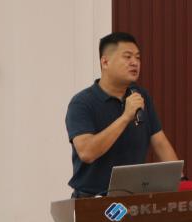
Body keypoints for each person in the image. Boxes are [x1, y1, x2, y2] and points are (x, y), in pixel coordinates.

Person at [65, 32, 181, 197]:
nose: (135, 62)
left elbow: (159, 142)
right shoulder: (82, 103)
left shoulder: (140, 96)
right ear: (105, 62)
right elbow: (87, 152)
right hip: (93, 200)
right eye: (127, 57)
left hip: (132, 198)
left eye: (138, 57)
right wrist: (125, 117)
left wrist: (180, 179)